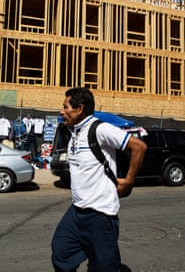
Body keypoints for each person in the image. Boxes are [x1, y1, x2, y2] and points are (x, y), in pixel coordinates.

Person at [51, 87, 147, 271]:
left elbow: (139, 147)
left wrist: (128, 181)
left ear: (79, 108)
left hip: (100, 214)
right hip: (76, 211)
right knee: (61, 253)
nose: (61, 111)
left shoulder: (100, 129)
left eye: (65, 107)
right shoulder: (74, 133)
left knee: (104, 267)